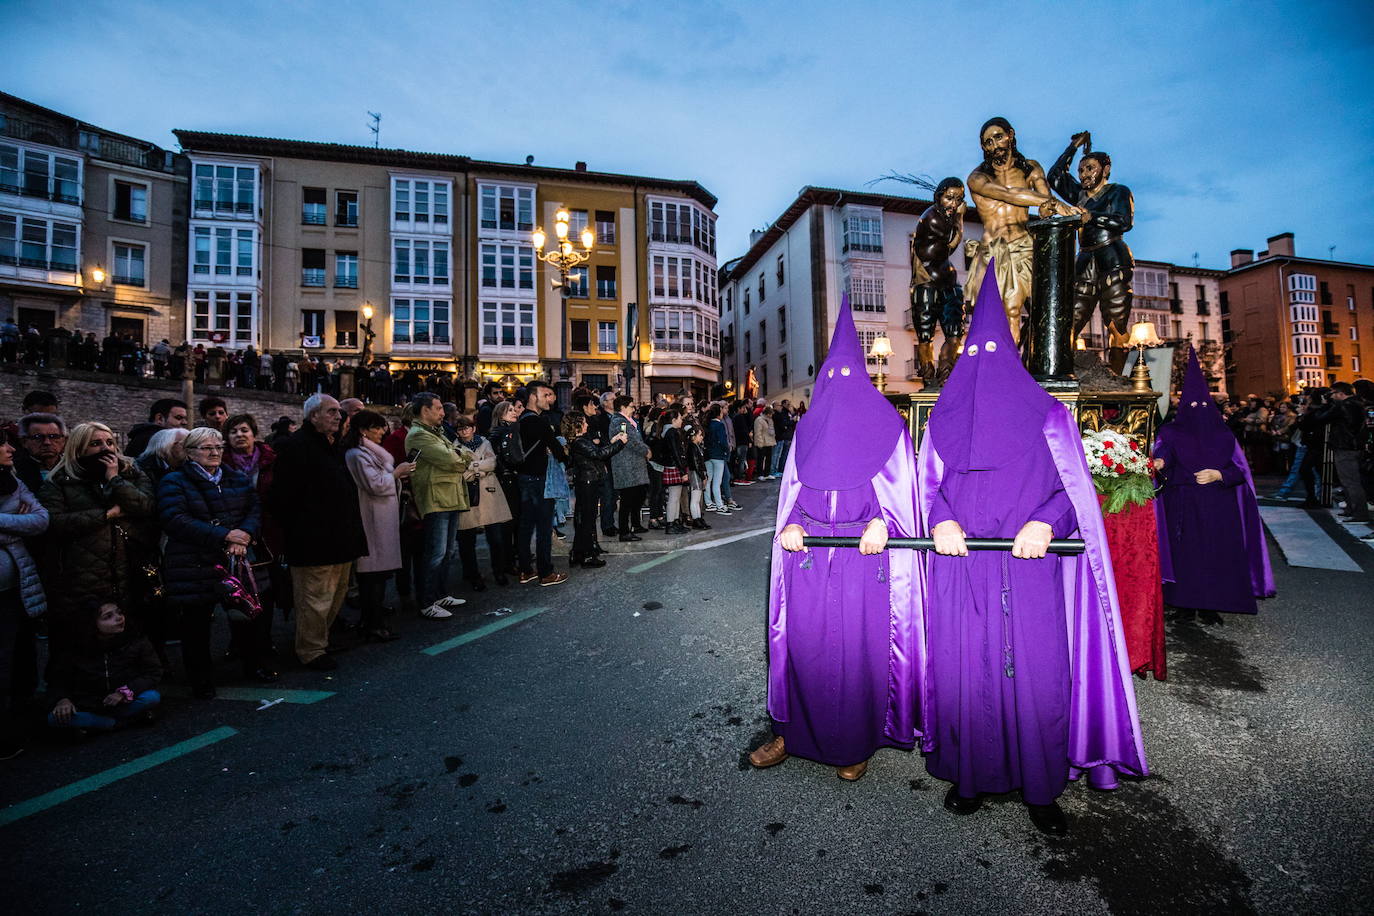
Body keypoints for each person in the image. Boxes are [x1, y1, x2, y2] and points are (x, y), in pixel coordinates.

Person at [918, 270, 1146, 835]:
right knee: (967, 671)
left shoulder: (1050, 415)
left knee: (1039, 675)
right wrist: (942, 519)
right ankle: (970, 776)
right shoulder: (942, 418)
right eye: (975, 349)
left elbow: (1075, 492)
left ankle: (1042, 787)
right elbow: (927, 487)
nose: (983, 360)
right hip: (962, 568)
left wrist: (1045, 523)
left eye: (993, 348)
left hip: (1031, 569)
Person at [749, 295, 921, 785]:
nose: (838, 386)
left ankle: (854, 739)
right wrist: (793, 524)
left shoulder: (889, 427)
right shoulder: (806, 429)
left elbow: (902, 497)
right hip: (808, 558)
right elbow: (794, 495)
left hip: (863, 560)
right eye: (832, 376)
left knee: (854, 650)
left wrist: (883, 523)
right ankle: (792, 732)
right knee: (801, 645)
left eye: (848, 374)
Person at [1153, 348, 1275, 616]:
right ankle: (1183, 604)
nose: (1198, 410)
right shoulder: (1171, 432)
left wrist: (1219, 475)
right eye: (1193, 406)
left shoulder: (1223, 435)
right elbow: (1165, 455)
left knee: (1217, 557)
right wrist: (1159, 462)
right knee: (1185, 556)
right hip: (1182, 506)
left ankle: (1212, 605)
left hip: (1219, 508)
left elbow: (1239, 470)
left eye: (1203, 405)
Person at [158, 427, 272, 695]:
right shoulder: (174, 481)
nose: (214, 452)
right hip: (193, 562)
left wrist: (243, 534)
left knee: (245, 614)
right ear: (189, 452)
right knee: (196, 625)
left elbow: (254, 509)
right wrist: (224, 535)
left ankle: (253, 664)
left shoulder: (236, 478)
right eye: (206, 448)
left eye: (218, 447)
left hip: (235, 558)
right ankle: (201, 678)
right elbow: (175, 519)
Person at [37, 423, 158, 652]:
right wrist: (105, 515)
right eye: (96, 443)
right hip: (81, 573)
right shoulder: (60, 481)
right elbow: (54, 523)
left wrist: (114, 479)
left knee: (126, 637)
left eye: (109, 442)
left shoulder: (131, 472)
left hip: (127, 569)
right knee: (82, 639)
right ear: (79, 448)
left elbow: (146, 506)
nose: (106, 448)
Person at [268, 394, 368, 671]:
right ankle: (310, 649)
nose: (339, 417)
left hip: (340, 536)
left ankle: (320, 641)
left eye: (339, 412)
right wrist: (304, 526)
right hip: (314, 539)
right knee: (314, 598)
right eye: (332, 412)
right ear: (313, 416)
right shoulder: (296, 447)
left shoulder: (330, 444)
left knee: (334, 595)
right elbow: (282, 497)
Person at [966, 117, 1079, 342]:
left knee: (1039, 310)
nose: (994, 145)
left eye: (998, 137)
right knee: (1000, 314)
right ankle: (1007, 369)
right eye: (988, 142)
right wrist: (1055, 204)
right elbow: (1009, 194)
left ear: (1011, 134)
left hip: (1025, 247)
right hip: (994, 250)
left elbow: (1045, 201)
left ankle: (1028, 367)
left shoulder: (1031, 168)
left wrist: (1049, 208)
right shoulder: (977, 177)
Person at [1047, 133, 1136, 374]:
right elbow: (1054, 178)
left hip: (1113, 259)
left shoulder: (1118, 191)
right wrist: (1072, 147)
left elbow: (1124, 221)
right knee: (1072, 318)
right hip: (1085, 261)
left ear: (1105, 169)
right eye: (1081, 170)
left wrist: (1092, 217)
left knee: (1116, 321)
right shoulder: (1079, 195)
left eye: (1090, 168)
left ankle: (1117, 375)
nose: (1084, 174)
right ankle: (1066, 370)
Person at [344, 410, 414, 641]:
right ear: (364, 430)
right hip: (371, 517)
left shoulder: (367, 453)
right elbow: (375, 484)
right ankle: (372, 621)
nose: (383, 432)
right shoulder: (357, 454)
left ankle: (374, 616)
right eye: (378, 427)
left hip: (382, 516)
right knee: (372, 574)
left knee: (380, 573)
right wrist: (396, 473)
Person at [0, 433, 49, 758]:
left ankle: (13, 720)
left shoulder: (11, 482)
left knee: (15, 655)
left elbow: (40, 519)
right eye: (2, 445)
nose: (10, 449)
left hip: (15, 584)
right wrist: (15, 521)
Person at [46, 599, 161, 732]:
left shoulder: (135, 640)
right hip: (88, 704)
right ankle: (117, 723)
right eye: (108, 617)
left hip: (124, 701)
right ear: (92, 623)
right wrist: (62, 700)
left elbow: (152, 672)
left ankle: (102, 725)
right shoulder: (75, 648)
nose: (119, 618)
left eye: (119, 613)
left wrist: (125, 692)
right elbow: (58, 680)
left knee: (151, 697)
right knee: (54, 718)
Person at [406, 392, 472, 617]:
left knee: (447, 552)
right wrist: (459, 456)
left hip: (449, 496)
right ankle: (426, 602)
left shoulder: (437, 433)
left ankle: (441, 594)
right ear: (425, 411)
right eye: (439, 409)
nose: (443, 413)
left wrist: (458, 456)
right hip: (436, 499)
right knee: (435, 553)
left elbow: (461, 453)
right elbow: (452, 459)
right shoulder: (418, 435)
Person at [908, 178, 968, 381]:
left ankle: (945, 374)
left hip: (949, 283)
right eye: (949, 198)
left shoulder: (945, 216)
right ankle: (928, 376)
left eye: (958, 199)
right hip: (926, 284)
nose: (953, 204)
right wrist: (960, 219)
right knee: (925, 336)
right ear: (939, 196)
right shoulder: (932, 218)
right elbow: (950, 245)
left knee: (955, 335)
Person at [514, 381, 569, 586]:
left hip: (524, 478)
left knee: (526, 525)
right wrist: (564, 456)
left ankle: (525, 570)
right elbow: (557, 449)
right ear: (532, 397)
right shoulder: (538, 421)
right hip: (539, 480)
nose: (550, 399)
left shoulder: (520, 420)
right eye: (545, 395)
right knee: (544, 527)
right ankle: (546, 572)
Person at [454, 415, 513, 588]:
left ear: (473, 429)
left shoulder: (484, 442)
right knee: (467, 539)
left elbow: (492, 462)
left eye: (467, 427)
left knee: (495, 538)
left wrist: (473, 468)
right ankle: (473, 575)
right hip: (468, 495)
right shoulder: (454, 447)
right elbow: (459, 470)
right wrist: (481, 468)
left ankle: (499, 571)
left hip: (488, 493)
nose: (464, 431)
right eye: (460, 428)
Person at [564, 412, 626, 567]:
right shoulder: (579, 442)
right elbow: (598, 454)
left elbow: (597, 450)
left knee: (585, 518)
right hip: (587, 482)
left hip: (588, 481)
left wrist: (612, 441)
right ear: (577, 424)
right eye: (584, 422)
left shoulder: (581, 441)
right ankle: (586, 556)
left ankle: (580, 552)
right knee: (587, 519)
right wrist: (619, 444)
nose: (587, 424)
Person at [1317, 382, 1371, 529]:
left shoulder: (1343, 406)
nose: (1332, 397)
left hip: (1345, 447)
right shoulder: (1359, 404)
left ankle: (1359, 514)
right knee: (1350, 481)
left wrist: (1325, 404)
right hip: (1354, 446)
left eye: (1333, 393)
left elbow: (1321, 418)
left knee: (1350, 481)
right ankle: (1351, 510)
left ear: (1341, 393)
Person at [15, 413, 66, 494]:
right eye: (38, 437)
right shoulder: (14, 472)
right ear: (24, 442)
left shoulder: (74, 468)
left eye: (53, 436)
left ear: (63, 440)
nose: (47, 442)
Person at [753, 407, 777, 481]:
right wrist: (759, 442)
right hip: (762, 441)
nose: (771, 415)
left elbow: (771, 429)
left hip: (769, 441)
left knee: (768, 458)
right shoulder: (759, 420)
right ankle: (760, 474)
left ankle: (767, 473)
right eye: (770, 414)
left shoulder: (770, 420)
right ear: (767, 413)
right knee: (761, 458)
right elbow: (758, 432)